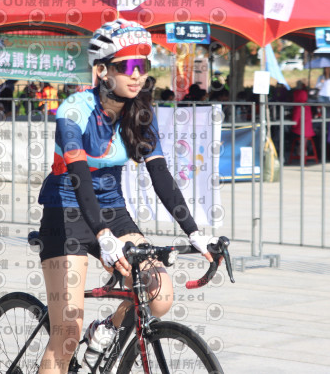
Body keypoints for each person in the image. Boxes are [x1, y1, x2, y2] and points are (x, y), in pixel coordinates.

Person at [35, 19, 217, 374]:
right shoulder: (74, 110)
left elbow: (160, 175)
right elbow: (80, 179)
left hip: (112, 211)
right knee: (67, 332)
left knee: (159, 293)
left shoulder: (140, 112)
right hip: (66, 214)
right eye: (127, 65)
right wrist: (103, 236)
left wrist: (194, 232)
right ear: (102, 70)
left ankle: (106, 330)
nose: (137, 74)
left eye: (143, 65)